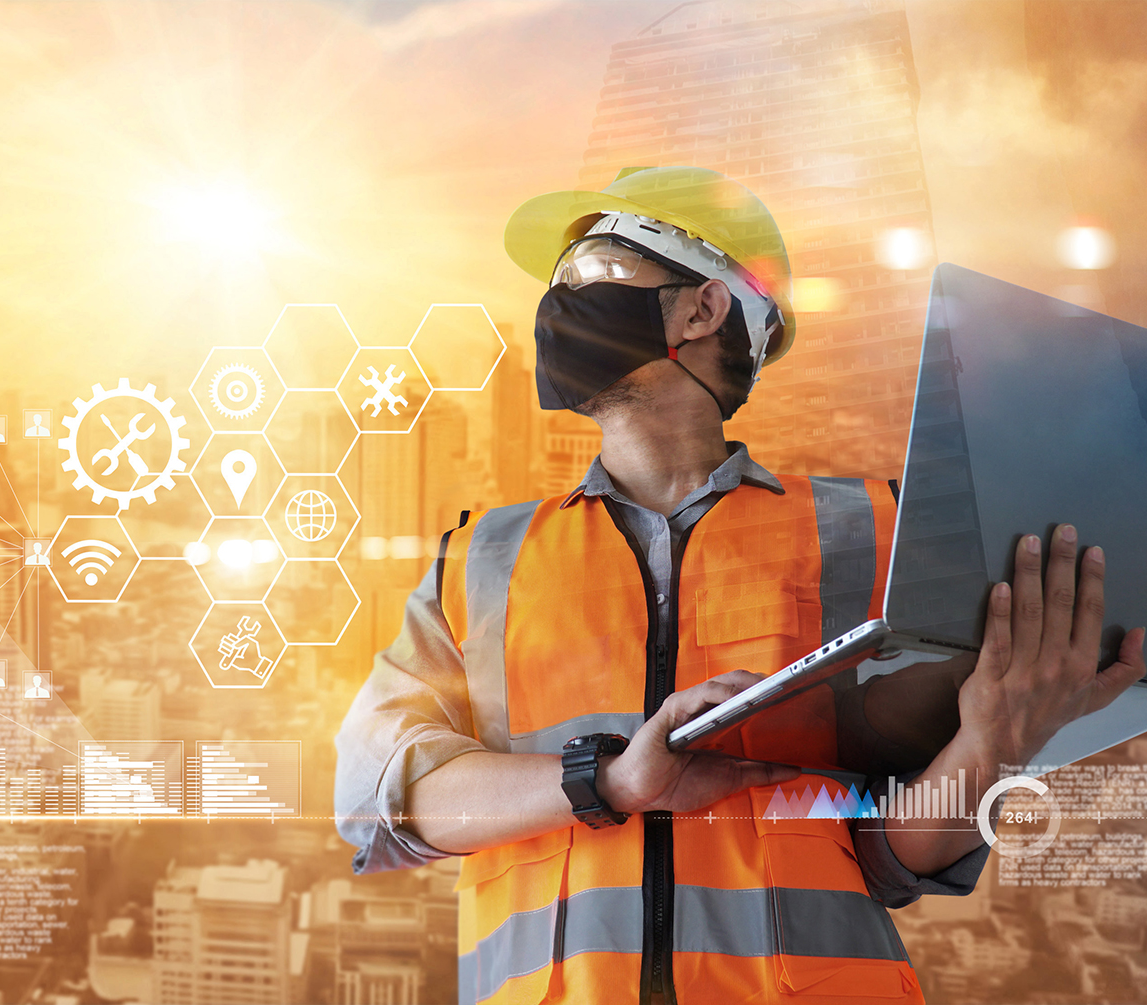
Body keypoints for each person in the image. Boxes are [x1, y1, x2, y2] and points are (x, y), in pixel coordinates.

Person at [333, 167, 1145, 1005]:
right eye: (558, 281)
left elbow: (892, 850)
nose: (559, 300)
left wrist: (992, 747)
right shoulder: (481, 557)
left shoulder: (877, 531)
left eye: (598, 271)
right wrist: (608, 782)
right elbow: (375, 801)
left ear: (702, 308)